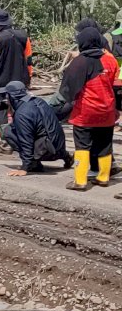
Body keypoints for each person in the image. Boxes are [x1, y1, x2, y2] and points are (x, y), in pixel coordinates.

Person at [56, 28, 120, 191]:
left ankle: (80, 180)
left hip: (85, 111)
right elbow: (115, 84)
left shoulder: (79, 62)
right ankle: (104, 177)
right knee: (105, 145)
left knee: (82, 146)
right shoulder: (111, 60)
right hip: (107, 110)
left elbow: (68, 88)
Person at [0, 9, 32, 145]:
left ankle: (3, 137)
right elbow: (29, 58)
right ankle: (19, 135)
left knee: (0, 108)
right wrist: (29, 77)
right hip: (19, 80)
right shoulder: (23, 36)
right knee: (17, 108)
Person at [0, 81, 72, 176]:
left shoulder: (22, 113)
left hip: (48, 152)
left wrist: (25, 168)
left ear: (11, 97)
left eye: (6, 95)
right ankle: (66, 157)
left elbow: (26, 141)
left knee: (7, 131)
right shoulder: (38, 101)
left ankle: (33, 164)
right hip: (59, 147)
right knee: (38, 130)